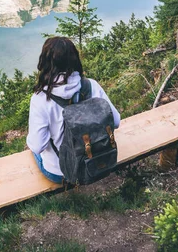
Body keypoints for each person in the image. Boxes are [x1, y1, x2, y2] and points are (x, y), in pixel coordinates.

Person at [27, 36, 121, 184]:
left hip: (60, 173)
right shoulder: (91, 86)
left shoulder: (40, 98)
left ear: (45, 63)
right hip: (96, 161)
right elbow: (116, 121)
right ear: (75, 59)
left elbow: (38, 146)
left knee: (33, 149)